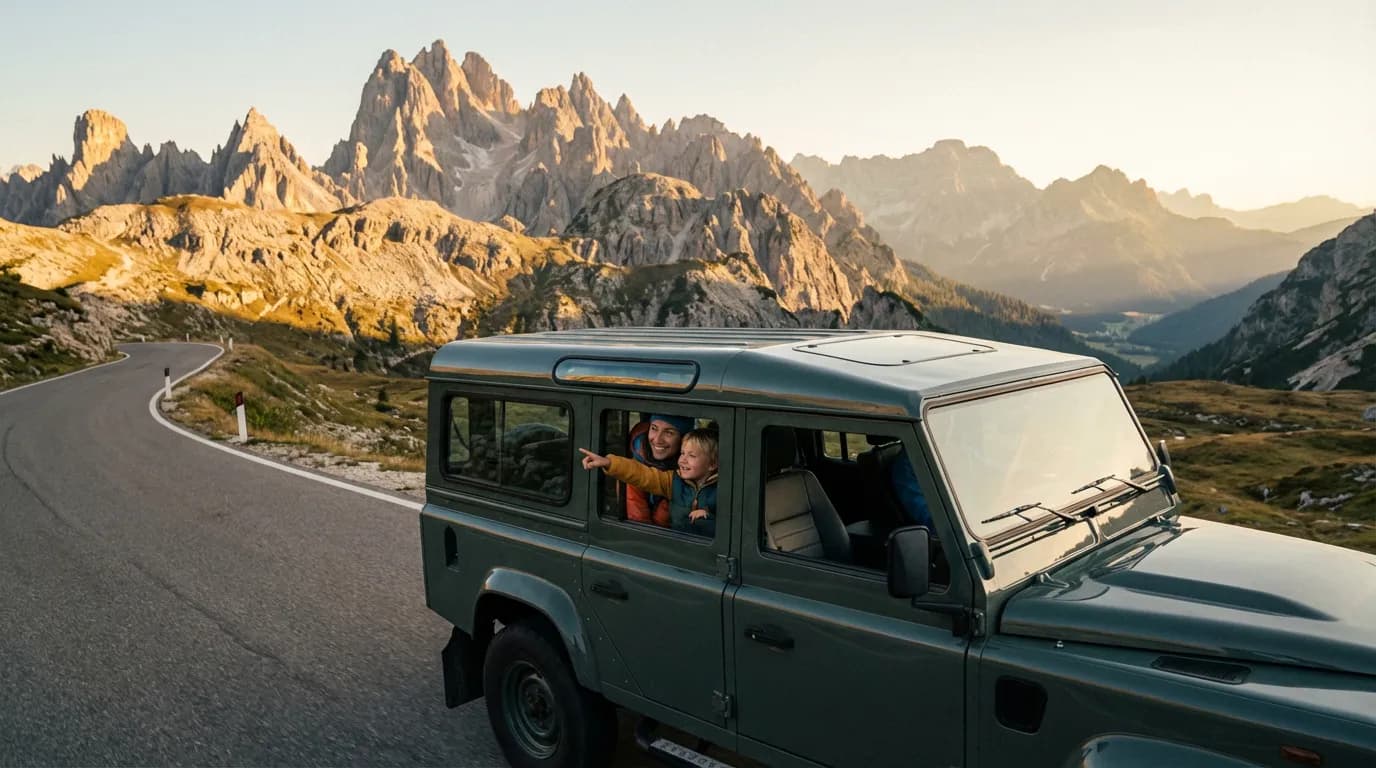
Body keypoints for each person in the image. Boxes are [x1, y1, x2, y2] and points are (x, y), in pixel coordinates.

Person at [581, 428, 719, 536]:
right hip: (678, 544)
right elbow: (642, 474)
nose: (683, 460)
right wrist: (609, 462)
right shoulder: (673, 481)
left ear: (712, 464)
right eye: (682, 453)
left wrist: (709, 517)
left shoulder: (724, 489)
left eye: (692, 455)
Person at [626, 414, 693, 527]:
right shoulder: (634, 467)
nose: (657, 440)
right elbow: (638, 522)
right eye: (654, 428)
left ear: (683, 440)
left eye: (669, 432)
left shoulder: (693, 470)